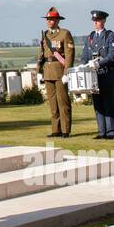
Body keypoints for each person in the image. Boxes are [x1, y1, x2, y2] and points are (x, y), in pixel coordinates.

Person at [84, 10, 114, 139]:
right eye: (94, 20)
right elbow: (85, 56)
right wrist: (84, 65)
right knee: (98, 105)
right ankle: (101, 132)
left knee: (108, 104)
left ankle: (111, 131)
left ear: (104, 21)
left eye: (98, 20)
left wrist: (99, 64)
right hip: (95, 77)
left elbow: (113, 55)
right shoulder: (90, 37)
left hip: (107, 75)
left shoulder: (110, 36)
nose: (95, 22)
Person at [36, 9, 74, 138]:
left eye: (51, 19)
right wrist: (39, 70)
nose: (49, 22)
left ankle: (65, 130)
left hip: (59, 71)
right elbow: (41, 53)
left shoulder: (64, 34)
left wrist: (66, 72)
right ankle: (55, 129)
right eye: (47, 19)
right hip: (47, 71)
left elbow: (69, 55)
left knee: (63, 102)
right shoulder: (45, 35)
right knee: (52, 103)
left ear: (57, 20)